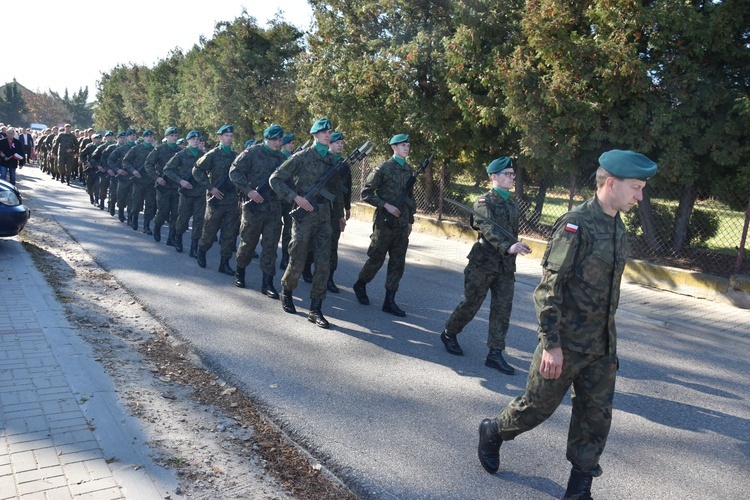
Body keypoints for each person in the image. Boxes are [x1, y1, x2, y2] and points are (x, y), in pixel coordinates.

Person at [477, 150, 658, 499]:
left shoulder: (617, 226)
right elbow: (549, 290)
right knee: (536, 408)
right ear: (610, 183)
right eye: (636, 187)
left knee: (596, 419)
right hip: (566, 342)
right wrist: (552, 344)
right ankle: (493, 430)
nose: (640, 196)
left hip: (602, 346)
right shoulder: (576, 224)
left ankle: (579, 490)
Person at [441, 157, 531, 375]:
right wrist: (507, 247)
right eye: (507, 174)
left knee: (502, 309)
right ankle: (449, 332)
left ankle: (495, 354)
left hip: (506, 266)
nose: (512, 178)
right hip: (483, 263)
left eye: (512, 174)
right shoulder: (483, 203)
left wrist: (516, 247)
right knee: (472, 303)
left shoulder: (512, 203)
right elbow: (488, 229)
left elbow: (512, 232)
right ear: (493, 176)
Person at [269, 118, 345, 329]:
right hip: (304, 214)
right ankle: (287, 291)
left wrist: (339, 215)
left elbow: (336, 192)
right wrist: (295, 197)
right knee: (298, 258)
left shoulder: (332, 160)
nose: (327, 135)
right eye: (323, 132)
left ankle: (316, 308)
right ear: (315, 135)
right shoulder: (301, 157)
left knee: (323, 263)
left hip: (325, 217)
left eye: (329, 131)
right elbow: (275, 179)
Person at [352, 133, 415, 317]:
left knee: (397, 263)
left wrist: (410, 220)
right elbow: (367, 193)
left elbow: (410, 199)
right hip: (384, 223)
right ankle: (361, 284)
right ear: (393, 147)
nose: (406, 148)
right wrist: (386, 205)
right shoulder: (383, 169)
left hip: (402, 224)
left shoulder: (409, 170)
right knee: (376, 259)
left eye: (408, 145)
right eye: (402, 145)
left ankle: (389, 300)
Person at [230, 124, 287, 297]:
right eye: (274, 140)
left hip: (273, 208)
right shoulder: (252, 153)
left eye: (279, 140)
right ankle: (240, 272)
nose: (277, 143)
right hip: (253, 207)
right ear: (266, 139)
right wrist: (249, 191)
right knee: (248, 243)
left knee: (270, 246)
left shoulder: (281, 159)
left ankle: (267, 282)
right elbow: (234, 172)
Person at [192, 125, 240, 274]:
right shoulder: (212, 155)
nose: (229, 138)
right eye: (226, 135)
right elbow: (197, 170)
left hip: (231, 199)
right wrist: (210, 187)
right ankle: (201, 250)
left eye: (231, 136)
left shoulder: (236, 156)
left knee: (229, 234)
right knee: (209, 232)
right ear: (219, 137)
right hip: (216, 200)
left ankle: (224, 263)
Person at [163, 130, 205, 255]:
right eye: (193, 139)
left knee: (198, 220)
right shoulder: (181, 154)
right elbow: (168, 169)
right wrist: (180, 181)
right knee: (183, 218)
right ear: (188, 141)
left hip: (200, 192)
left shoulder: (203, 156)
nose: (196, 141)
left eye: (197, 139)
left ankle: (194, 247)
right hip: (186, 192)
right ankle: (178, 238)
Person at [145, 126, 181, 245]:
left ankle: (171, 237)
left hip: (176, 186)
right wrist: (157, 177)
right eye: (172, 135)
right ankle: (157, 227)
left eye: (175, 136)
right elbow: (148, 164)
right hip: (163, 186)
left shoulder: (180, 151)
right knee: (163, 211)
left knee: (175, 212)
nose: (174, 138)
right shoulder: (159, 150)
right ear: (166, 137)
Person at [122, 130, 156, 233]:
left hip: (150, 181)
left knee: (150, 204)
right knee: (136, 202)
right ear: (143, 138)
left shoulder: (155, 150)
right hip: (138, 180)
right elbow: (125, 161)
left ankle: (146, 225)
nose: (149, 138)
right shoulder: (136, 149)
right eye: (147, 136)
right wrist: (133, 171)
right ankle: (134, 218)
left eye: (151, 137)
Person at [278, 133, 297, 270]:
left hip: (290, 199)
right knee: (274, 228)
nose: (291, 145)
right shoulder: (279, 157)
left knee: (289, 230)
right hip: (278, 199)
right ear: (283, 144)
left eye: (292, 143)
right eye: (289, 143)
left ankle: (285, 257)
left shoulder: (294, 158)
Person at [79, 133, 103, 205]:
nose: (98, 140)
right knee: (90, 185)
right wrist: (86, 162)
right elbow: (82, 154)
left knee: (98, 185)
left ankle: (96, 199)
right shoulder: (90, 147)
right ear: (94, 139)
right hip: (91, 168)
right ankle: (91, 196)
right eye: (96, 139)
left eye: (99, 139)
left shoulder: (103, 147)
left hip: (100, 168)